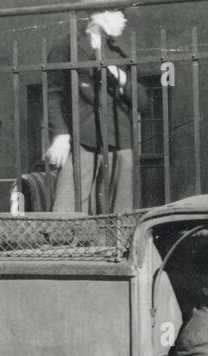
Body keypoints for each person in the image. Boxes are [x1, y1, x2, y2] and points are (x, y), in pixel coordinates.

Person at [44, 10, 135, 213]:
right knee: (66, 213)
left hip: (120, 141)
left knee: (120, 217)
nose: (124, 19)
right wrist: (60, 133)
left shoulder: (119, 51)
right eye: (118, 13)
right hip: (83, 139)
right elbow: (53, 93)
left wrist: (123, 80)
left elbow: (142, 100)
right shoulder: (66, 45)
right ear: (99, 14)